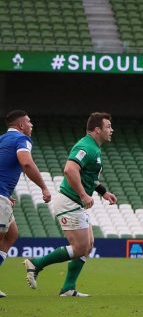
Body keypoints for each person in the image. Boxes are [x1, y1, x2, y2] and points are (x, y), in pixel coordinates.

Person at [24, 112, 116, 297]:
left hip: (75, 202)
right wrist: (83, 194)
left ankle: (68, 288)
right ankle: (36, 263)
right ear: (97, 129)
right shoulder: (86, 146)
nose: (111, 130)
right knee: (80, 247)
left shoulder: (94, 148)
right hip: (69, 201)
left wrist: (103, 192)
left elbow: (87, 177)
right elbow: (70, 169)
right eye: (108, 126)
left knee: (88, 245)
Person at [0, 111, 51, 297]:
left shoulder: (2, 139)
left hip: (3, 193)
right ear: (21, 125)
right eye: (29, 122)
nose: (32, 125)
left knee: (11, 234)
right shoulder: (22, 139)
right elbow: (27, 163)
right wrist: (44, 187)